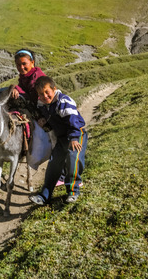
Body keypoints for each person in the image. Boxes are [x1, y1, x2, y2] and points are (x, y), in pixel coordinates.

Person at [29, 76, 88, 204]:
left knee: (73, 159)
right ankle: (44, 196)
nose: (44, 96)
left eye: (47, 92)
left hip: (76, 135)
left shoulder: (64, 101)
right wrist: (43, 120)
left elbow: (73, 120)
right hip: (61, 138)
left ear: (54, 89)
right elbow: (46, 116)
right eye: (40, 94)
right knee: (54, 164)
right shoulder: (43, 104)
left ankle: (73, 191)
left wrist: (73, 138)